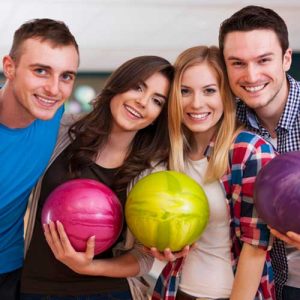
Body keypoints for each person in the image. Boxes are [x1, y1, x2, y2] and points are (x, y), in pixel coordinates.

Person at [21, 55, 173, 300]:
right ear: (119, 84)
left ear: (160, 115)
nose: (142, 102)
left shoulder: (152, 170)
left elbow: (143, 257)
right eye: (138, 87)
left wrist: (88, 267)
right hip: (37, 288)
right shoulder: (61, 130)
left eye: (157, 101)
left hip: (108, 292)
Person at [150, 46, 277, 300]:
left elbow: (256, 248)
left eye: (209, 90)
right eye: (185, 91)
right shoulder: (169, 155)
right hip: (174, 291)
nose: (196, 103)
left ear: (226, 95)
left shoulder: (250, 151)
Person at [219, 5, 300, 300]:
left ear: (286, 59)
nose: (251, 75)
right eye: (237, 63)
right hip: (263, 287)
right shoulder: (223, 123)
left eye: (263, 60)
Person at [0, 18, 79, 300]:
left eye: (66, 76)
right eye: (41, 71)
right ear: (9, 67)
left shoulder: (53, 112)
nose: (54, 88)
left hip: (11, 273)